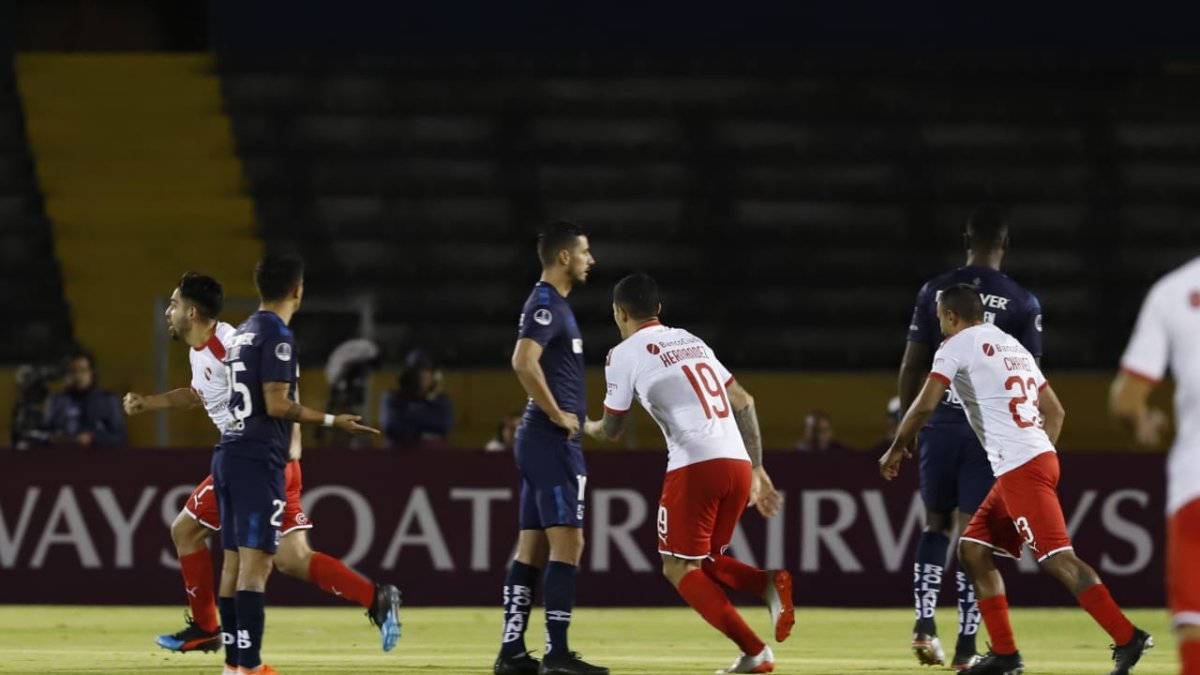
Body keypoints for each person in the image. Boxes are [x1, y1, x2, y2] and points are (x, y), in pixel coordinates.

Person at [123, 271, 403, 667]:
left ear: (192, 311)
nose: (167, 312)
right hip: (253, 459)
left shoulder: (231, 343)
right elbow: (199, 393)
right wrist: (150, 404)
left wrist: (292, 443)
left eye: (172, 304)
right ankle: (376, 597)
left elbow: (280, 382)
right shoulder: (200, 349)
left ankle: (218, 637)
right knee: (292, 558)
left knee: (204, 540)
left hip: (261, 461)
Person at [880, 284, 1153, 675]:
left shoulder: (955, 346)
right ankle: (1006, 655)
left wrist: (896, 448)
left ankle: (1129, 637)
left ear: (952, 316)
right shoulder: (1013, 346)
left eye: (940, 317)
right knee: (972, 550)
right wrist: (1036, 453)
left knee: (1058, 558)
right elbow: (1055, 413)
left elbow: (925, 404)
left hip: (1022, 466)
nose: (939, 324)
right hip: (1029, 460)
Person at [585, 273, 791, 674]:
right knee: (706, 560)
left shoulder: (623, 354)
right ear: (658, 310)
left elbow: (611, 430)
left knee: (678, 567)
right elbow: (744, 401)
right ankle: (767, 583)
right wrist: (758, 467)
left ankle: (755, 652)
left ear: (619, 313)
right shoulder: (692, 341)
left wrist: (583, 426)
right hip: (736, 463)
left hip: (695, 463)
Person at [893, 205, 1042, 668]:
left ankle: (922, 625)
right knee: (974, 538)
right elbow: (1032, 376)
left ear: (966, 239)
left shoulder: (936, 291)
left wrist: (905, 427)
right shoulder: (1022, 301)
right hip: (988, 433)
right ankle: (964, 647)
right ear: (1005, 244)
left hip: (938, 423)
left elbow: (912, 363)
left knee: (934, 523)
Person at [493, 221, 607, 675]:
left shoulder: (554, 305)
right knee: (569, 542)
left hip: (543, 440)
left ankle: (512, 652)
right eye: (584, 252)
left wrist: (585, 422)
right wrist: (560, 416)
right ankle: (556, 654)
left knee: (532, 548)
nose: (589, 259)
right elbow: (523, 360)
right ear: (564, 257)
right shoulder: (545, 304)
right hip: (550, 440)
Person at [1110, 256, 1200, 675]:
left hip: (1195, 486)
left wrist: (1143, 420)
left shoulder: (1173, 292)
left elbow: (1127, 399)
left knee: (1195, 637)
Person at [44, 349, 126, 448]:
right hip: (64, 459)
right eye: (73, 371)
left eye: (83, 370)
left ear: (92, 373)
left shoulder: (108, 400)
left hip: (100, 459)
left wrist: (93, 438)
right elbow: (44, 434)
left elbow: (120, 438)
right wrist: (57, 439)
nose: (78, 376)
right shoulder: (58, 400)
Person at [380, 349, 454, 448]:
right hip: (399, 458)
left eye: (426, 370)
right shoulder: (392, 398)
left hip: (434, 459)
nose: (421, 375)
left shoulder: (442, 400)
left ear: (434, 376)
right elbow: (392, 427)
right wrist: (426, 431)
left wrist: (408, 418)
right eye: (416, 371)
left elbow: (444, 425)